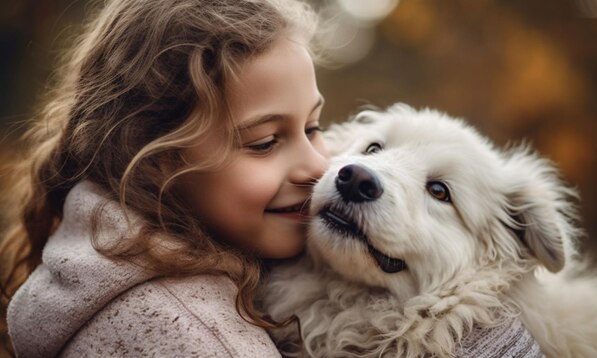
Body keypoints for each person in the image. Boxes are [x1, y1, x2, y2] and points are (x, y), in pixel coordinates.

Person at [0, 0, 542, 356]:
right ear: (157, 160)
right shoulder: (194, 336)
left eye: (314, 126)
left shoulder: (192, 261)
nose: (321, 168)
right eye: (264, 143)